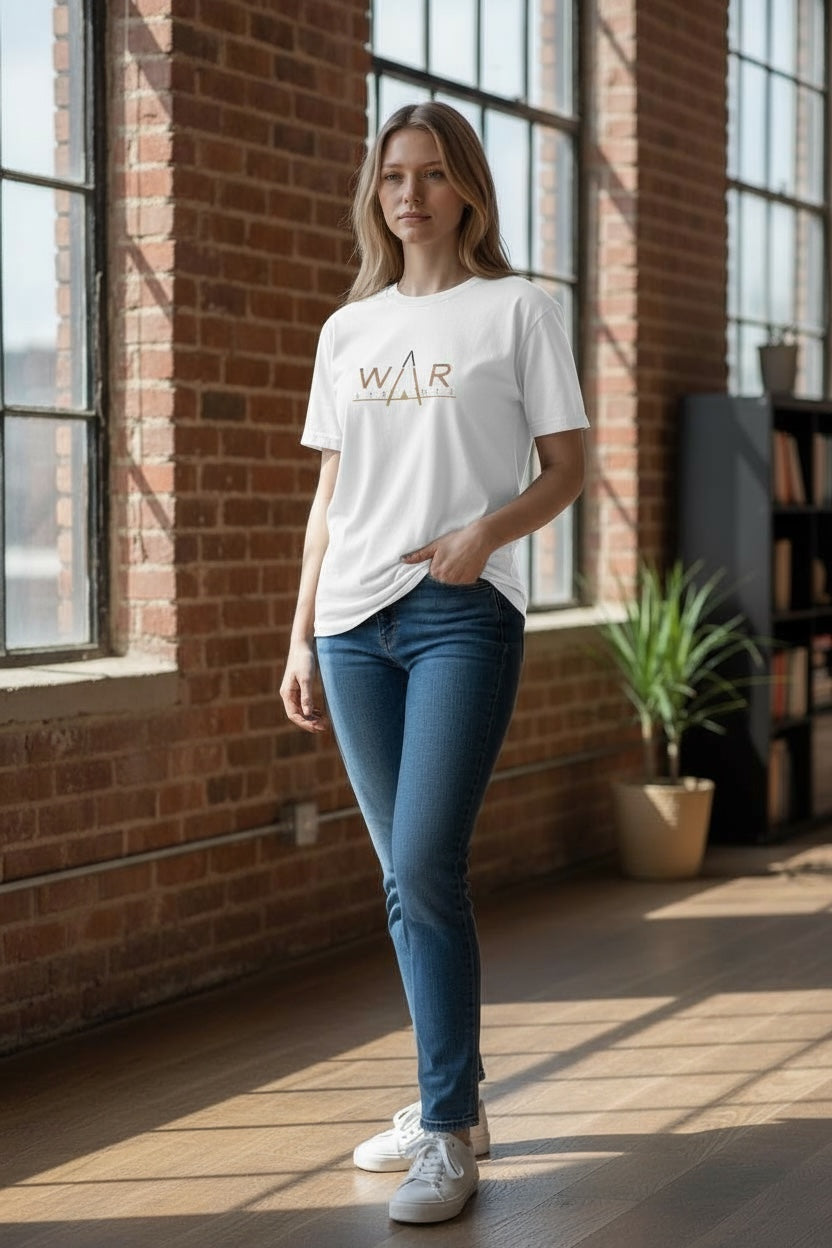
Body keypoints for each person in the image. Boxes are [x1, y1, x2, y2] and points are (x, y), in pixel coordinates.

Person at [280, 101, 588, 1225]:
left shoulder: (516, 311)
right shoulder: (347, 330)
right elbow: (327, 502)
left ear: (466, 188)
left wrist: (485, 536)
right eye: (391, 176)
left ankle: (448, 1132)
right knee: (403, 882)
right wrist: (298, 634)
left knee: (425, 867)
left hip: (461, 612)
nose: (407, 195)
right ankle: (447, 1103)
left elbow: (564, 471)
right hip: (352, 626)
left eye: (429, 174)